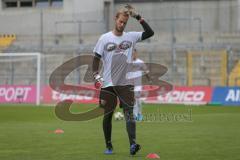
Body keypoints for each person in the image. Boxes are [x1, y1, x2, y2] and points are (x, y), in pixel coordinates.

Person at [92, 4, 154, 155]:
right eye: (120, 21)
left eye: (125, 23)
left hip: (125, 84)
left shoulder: (131, 37)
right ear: (115, 19)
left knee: (129, 114)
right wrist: (96, 76)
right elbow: (95, 60)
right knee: (107, 116)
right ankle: (109, 146)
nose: (122, 24)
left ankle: (133, 145)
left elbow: (150, 32)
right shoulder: (104, 38)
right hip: (108, 84)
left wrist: (138, 17)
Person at [130, 48, 151, 121]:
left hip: (138, 85)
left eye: (134, 53)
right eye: (132, 53)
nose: (133, 55)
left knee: (138, 102)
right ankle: (135, 116)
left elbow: (146, 71)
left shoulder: (140, 62)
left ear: (136, 54)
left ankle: (139, 114)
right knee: (134, 101)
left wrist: (149, 80)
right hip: (131, 86)